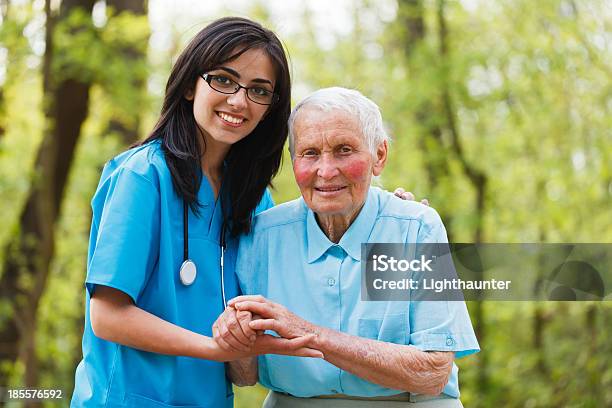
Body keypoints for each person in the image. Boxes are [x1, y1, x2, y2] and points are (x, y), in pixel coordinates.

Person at [70, 17, 324, 408]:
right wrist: (213, 349)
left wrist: (385, 215)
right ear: (191, 85)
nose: (239, 101)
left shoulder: (253, 199)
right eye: (223, 80)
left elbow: (311, 270)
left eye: (259, 90)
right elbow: (108, 316)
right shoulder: (142, 175)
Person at [214, 87, 480, 407]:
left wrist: (308, 333)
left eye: (344, 150)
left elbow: (433, 371)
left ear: (379, 156)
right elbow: (244, 377)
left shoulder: (415, 228)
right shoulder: (261, 237)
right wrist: (236, 339)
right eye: (310, 153)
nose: (326, 171)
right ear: (293, 159)